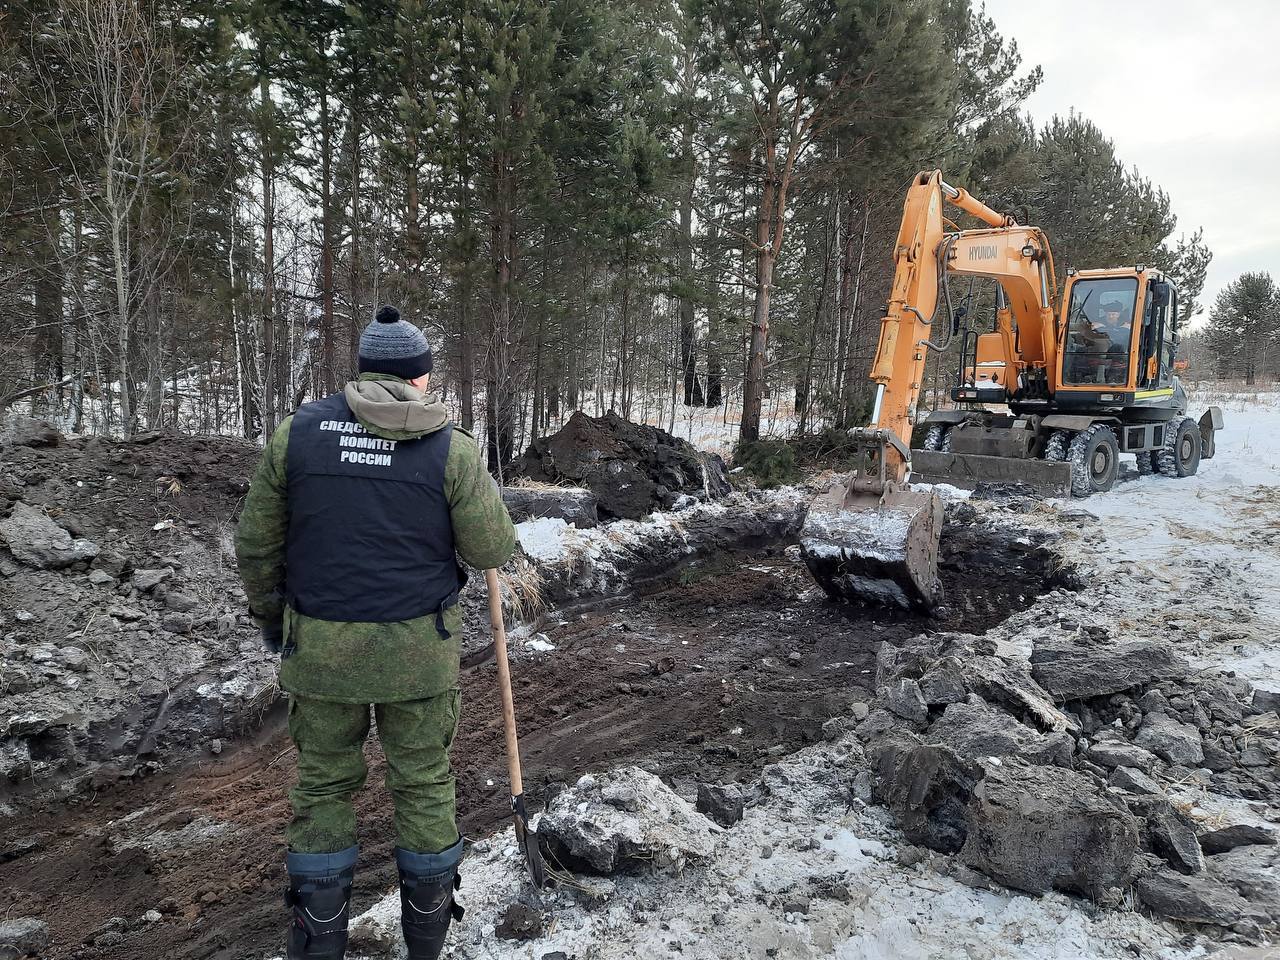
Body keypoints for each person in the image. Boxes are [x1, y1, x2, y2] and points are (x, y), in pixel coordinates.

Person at [235, 305, 517, 960]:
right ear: (420, 378)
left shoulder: (298, 434)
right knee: (422, 782)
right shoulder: (451, 446)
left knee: (324, 785)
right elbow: (490, 547)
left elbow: (255, 542)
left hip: (322, 653)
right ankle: (426, 943)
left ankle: (318, 944)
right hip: (417, 657)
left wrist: (271, 617)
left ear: (363, 372)